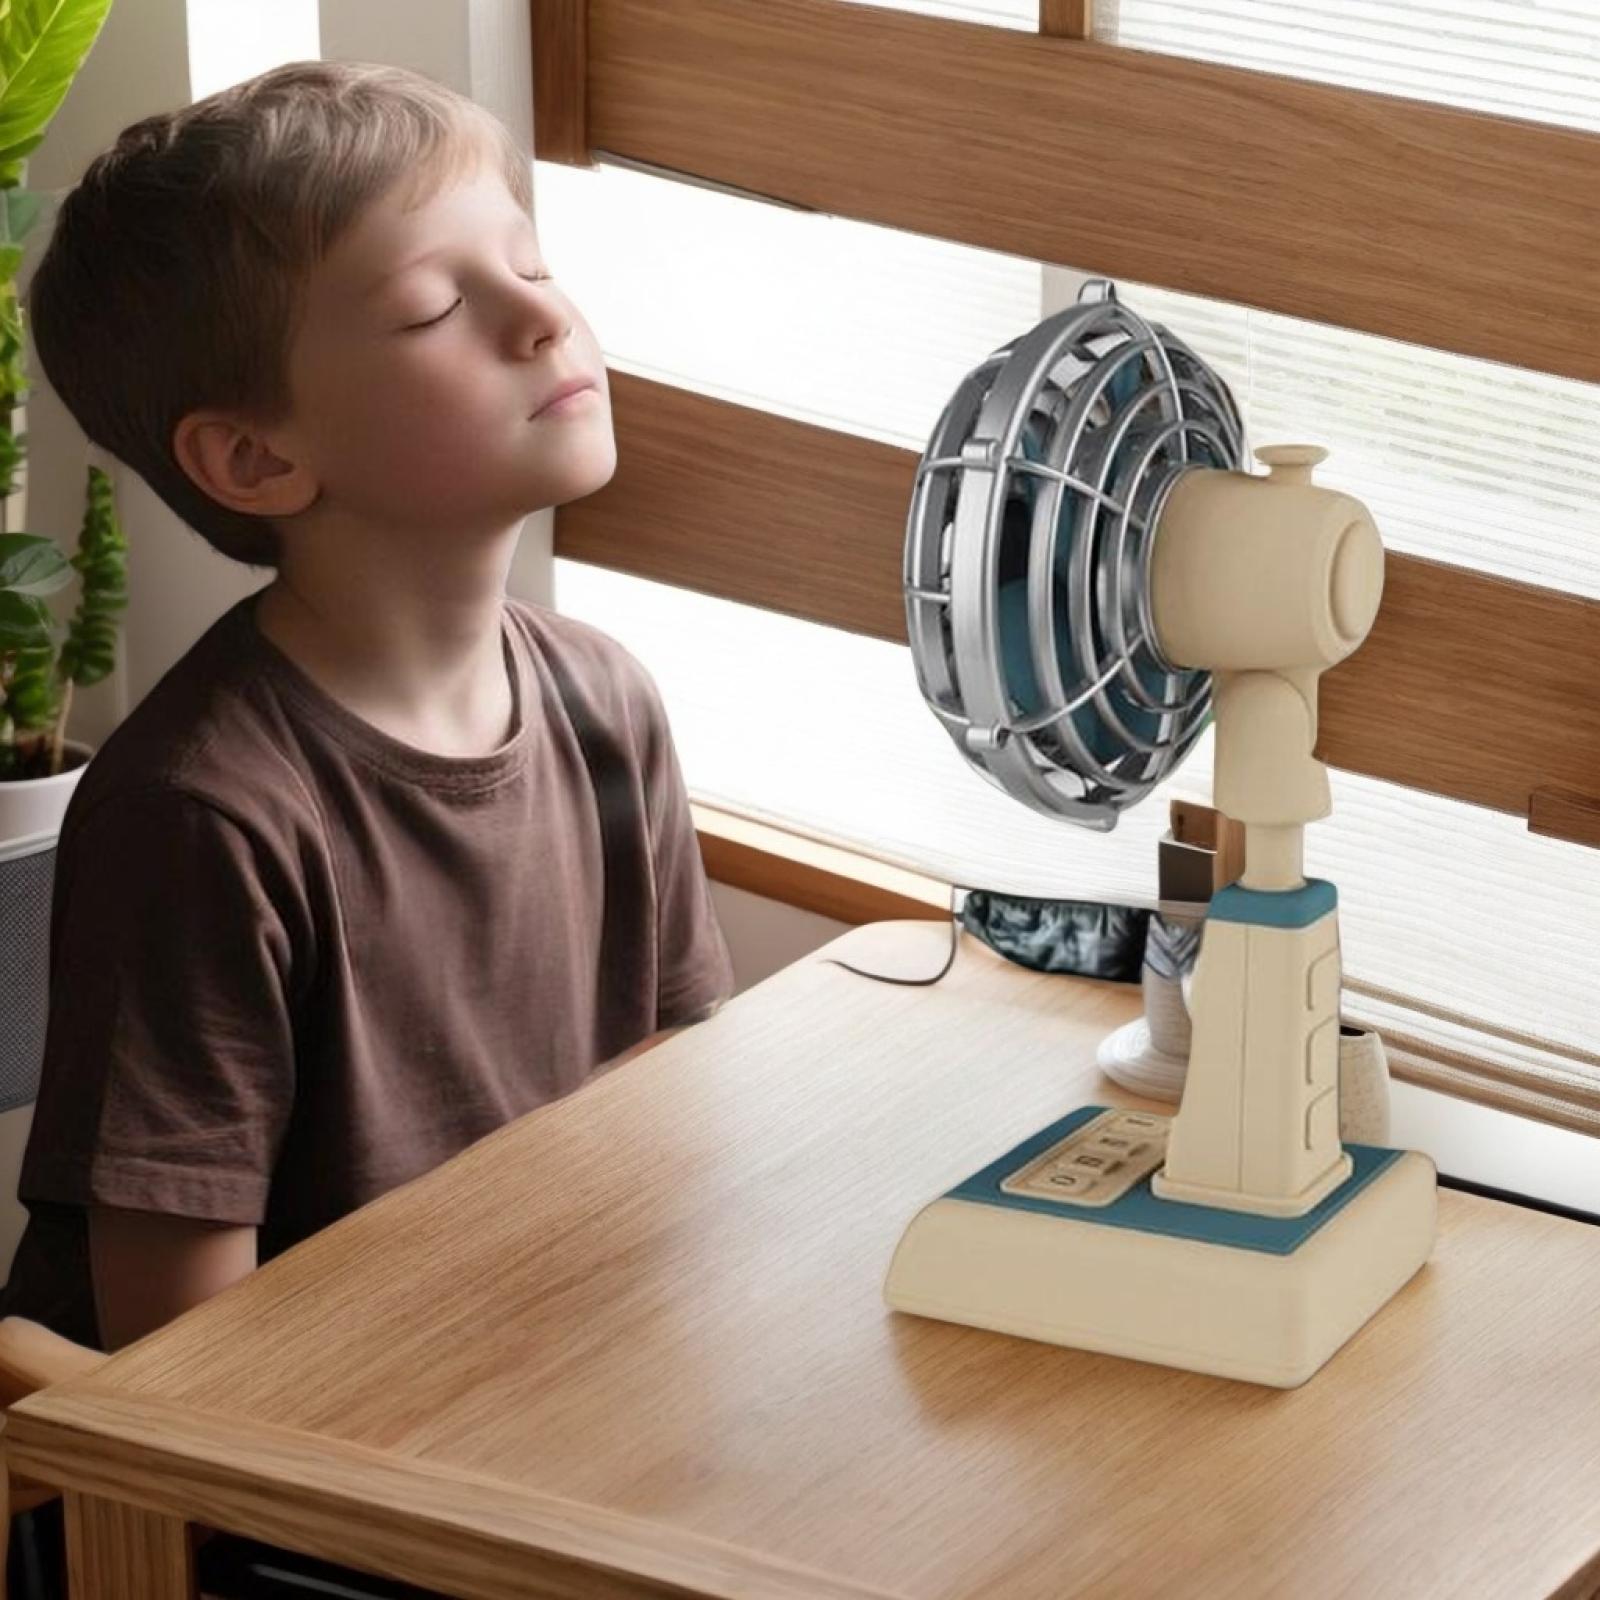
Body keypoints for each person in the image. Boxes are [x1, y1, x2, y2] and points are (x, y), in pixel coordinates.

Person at [0, 56, 735, 1360]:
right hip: (271, 1452)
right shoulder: (202, 818)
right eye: (433, 306)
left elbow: (665, 1118)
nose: (543, 316)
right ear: (256, 457)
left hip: (531, 1383)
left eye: (531, 263)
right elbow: (184, 1366)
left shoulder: (606, 703)